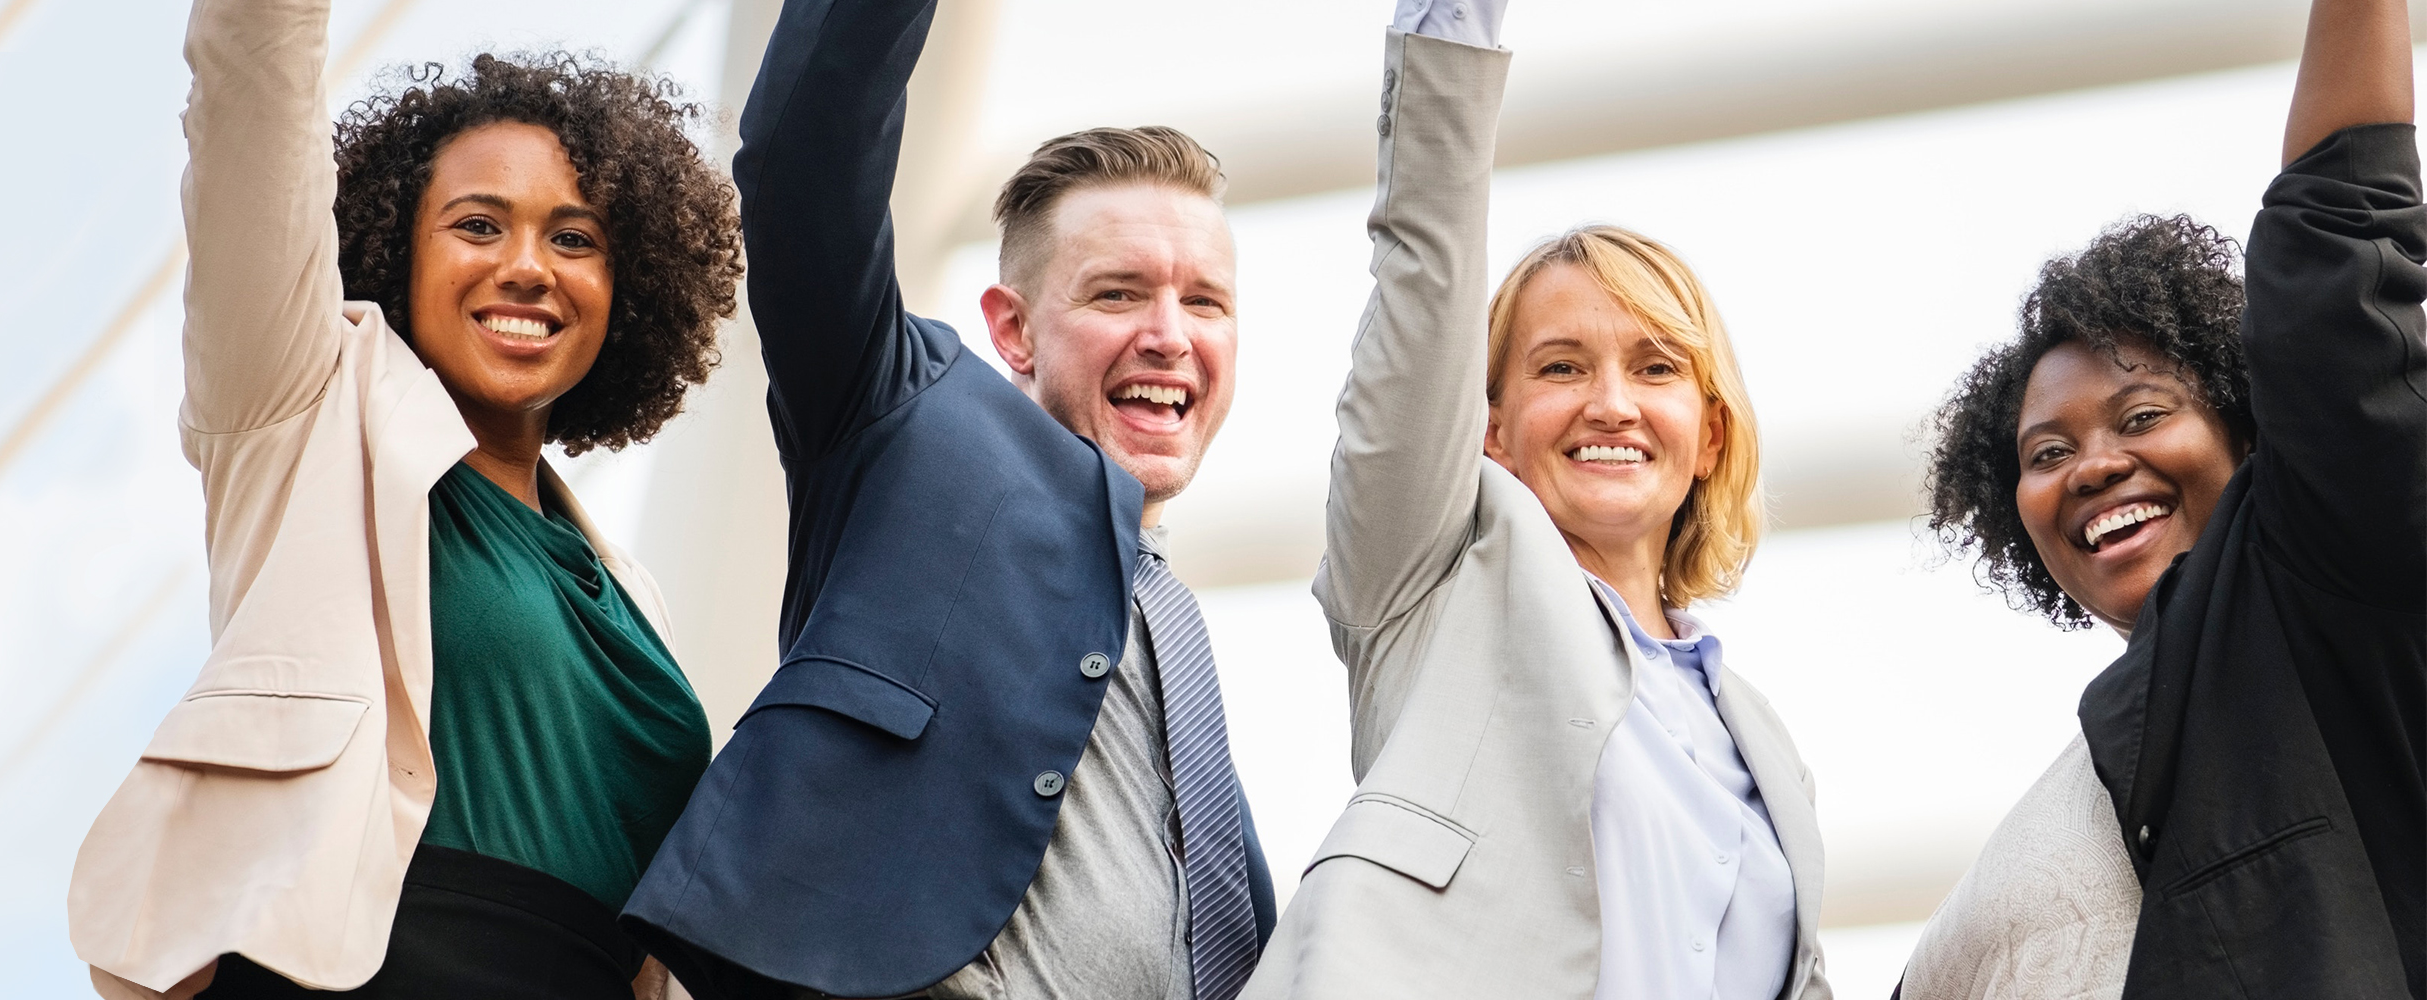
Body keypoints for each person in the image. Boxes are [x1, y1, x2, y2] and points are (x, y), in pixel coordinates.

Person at [66, 1, 743, 997]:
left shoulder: (630, 589)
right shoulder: (301, 411)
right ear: (398, 248)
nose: (526, 266)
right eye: (477, 225)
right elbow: (251, 76)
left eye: (574, 238)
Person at [617, 0, 1273, 997]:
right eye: (1117, 292)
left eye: (1205, 301)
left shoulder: (1173, 631)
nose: (1170, 334)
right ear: (1011, 332)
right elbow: (805, 162)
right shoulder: (907, 412)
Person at [1241, 4, 1830, 999]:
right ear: (1490, 429)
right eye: (1561, 366)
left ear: (1710, 435)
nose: (1610, 402)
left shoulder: (1758, 739)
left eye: (1654, 368)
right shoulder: (1432, 589)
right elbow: (1421, 267)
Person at [1908, 0, 2425, 995]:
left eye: (2141, 416)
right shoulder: (2067, 793)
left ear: (2245, 427)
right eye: (2047, 450)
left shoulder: (2325, 608)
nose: (2093, 465)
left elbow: (2338, 243)